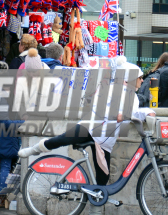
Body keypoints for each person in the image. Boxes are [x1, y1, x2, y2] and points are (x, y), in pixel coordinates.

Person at [19, 60, 155, 214]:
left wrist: (148, 112)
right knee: (62, 139)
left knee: (102, 180)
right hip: (89, 128)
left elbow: (134, 112)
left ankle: (94, 211)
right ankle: (34, 149)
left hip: (105, 141)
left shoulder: (134, 97)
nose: (142, 80)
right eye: (139, 77)